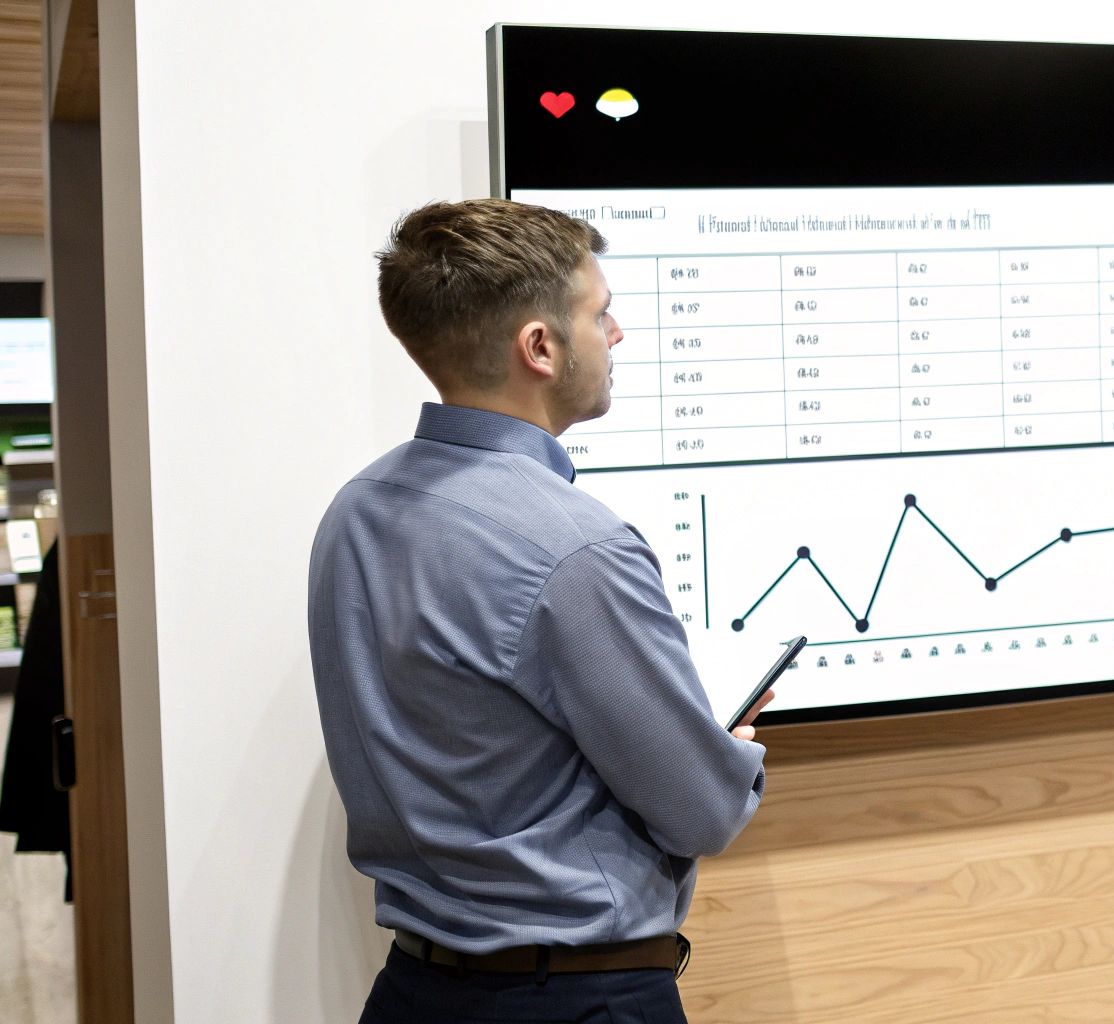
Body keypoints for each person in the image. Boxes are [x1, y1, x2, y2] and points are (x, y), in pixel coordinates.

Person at [307, 199, 770, 1024]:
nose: (618, 334)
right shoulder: (576, 549)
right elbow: (700, 809)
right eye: (602, 313)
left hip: (412, 996)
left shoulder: (356, 509)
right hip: (576, 1001)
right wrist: (723, 750)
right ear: (540, 347)